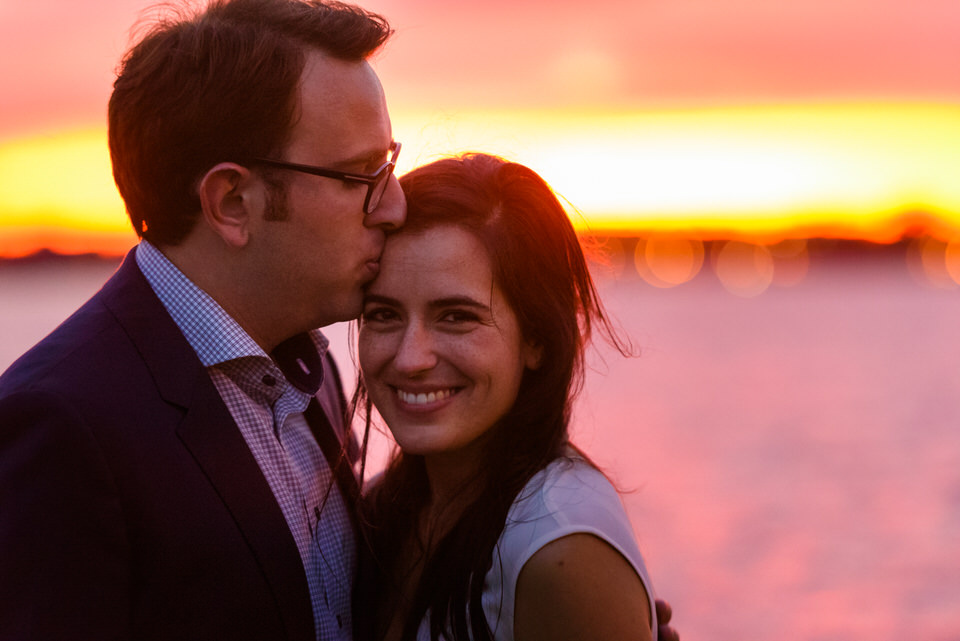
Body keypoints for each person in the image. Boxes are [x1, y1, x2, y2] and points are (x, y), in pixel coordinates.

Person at [0, 0, 404, 639]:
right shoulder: (60, 427)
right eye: (362, 175)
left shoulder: (309, 364)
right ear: (232, 201)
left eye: (390, 165)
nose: (395, 207)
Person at [353, 153, 662, 641]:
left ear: (537, 337)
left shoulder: (559, 550)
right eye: (383, 314)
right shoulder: (385, 510)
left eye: (456, 316)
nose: (411, 358)